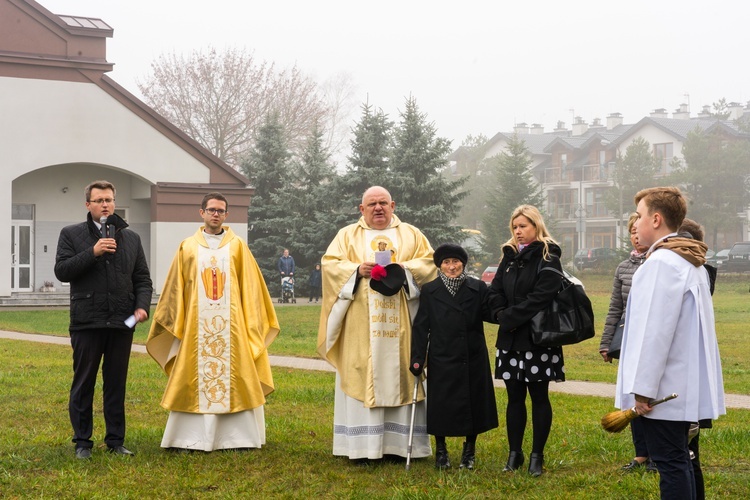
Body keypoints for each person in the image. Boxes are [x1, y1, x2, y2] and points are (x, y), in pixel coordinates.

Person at [146, 192, 280, 452]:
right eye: (211, 210)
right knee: (191, 378)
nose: (215, 214)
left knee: (238, 377)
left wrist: (252, 324)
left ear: (226, 215)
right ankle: (187, 438)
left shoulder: (238, 246)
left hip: (233, 328)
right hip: (197, 327)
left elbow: (251, 288)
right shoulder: (188, 246)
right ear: (202, 213)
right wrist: (173, 321)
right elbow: (176, 286)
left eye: (220, 210)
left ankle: (239, 439)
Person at [616, 187, 725, 500]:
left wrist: (643, 389)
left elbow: (655, 332)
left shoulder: (662, 264)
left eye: (639, 215)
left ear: (656, 218)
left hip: (663, 388)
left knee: (671, 463)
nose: (634, 223)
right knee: (683, 460)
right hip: (680, 382)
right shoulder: (688, 261)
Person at [317, 186, 436, 462]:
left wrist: (403, 270)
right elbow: (331, 266)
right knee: (361, 370)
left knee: (403, 371)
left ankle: (399, 446)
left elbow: (429, 264)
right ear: (362, 209)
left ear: (393, 205)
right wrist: (356, 270)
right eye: (372, 204)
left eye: (383, 202)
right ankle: (362, 448)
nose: (378, 208)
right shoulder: (347, 235)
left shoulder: (411, 234)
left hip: (402, 325)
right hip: (361, 327)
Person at [54, 180, 152, 459]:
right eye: (99, 200)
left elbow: (142, 278)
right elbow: (62, 270)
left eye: (109, 199)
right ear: (88, 205)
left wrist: (141, 306)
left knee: (116, 383)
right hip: (87, 321)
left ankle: (115, 440)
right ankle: (83, 442)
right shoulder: (71, 234)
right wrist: (93, 252)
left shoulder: (130, 238)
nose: (105, 204)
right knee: (84, 382)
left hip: (122, 323)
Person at [487, 205, 565, 477]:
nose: (518, 232)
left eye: (524, 226)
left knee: (539, 397)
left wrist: (510, 316)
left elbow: (543, 295)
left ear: (536, 226)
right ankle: (514, 453)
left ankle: (536, 456)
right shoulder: (508, 256)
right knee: (514, 398)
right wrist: (499, 313)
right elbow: (494, 291)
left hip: (537, 339)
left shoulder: (549, 254)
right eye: (515, 227)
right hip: (509, 339)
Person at [410, 243, 498, 470]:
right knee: (441, 405)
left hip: (473, 355)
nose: (452, 266)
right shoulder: (430, 290)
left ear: (463, 264)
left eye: (456, 262)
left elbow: (492, 313)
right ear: (440, 266)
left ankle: (469, 452)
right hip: (442, 356)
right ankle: (441, 451)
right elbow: (421, 326)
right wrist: (418, 358)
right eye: (447, 262)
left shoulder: (477, 287)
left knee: (473, 404)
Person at [599, 213, 655, 472]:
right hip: (628, 338)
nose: (635, 236)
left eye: (638, 230)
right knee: (633, 396)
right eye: (631, 231)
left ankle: (658, 452)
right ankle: (641, 453)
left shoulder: (658, 262)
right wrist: (606, 341)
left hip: (653, 338)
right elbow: (615, 308)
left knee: (651, 395)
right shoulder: (623, 267)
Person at [678, 218, 717, 500]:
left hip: (686, 377)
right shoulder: (699, 274)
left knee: (687, 456)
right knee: (690, 455)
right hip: (689, 377)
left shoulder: (696, 274)